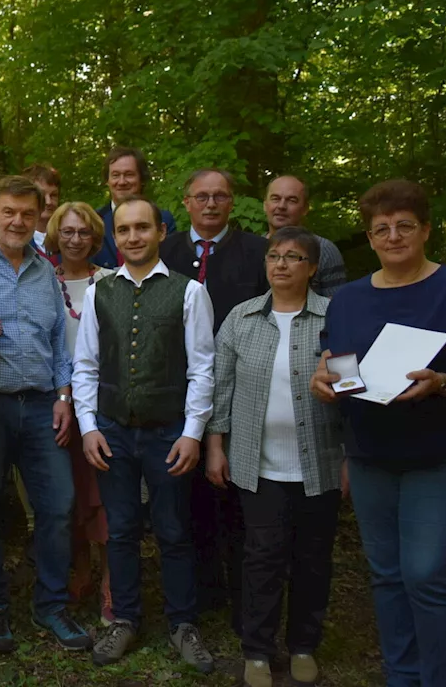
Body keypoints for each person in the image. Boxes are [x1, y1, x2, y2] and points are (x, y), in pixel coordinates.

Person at [311, 179, 446, 687]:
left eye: (404, 225)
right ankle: (401, 676)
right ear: (369, 238)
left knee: (427, 573)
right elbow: (335, 368)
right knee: (386, 575)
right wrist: (324, 383)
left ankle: (443, 679)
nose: (393, 236)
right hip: (369, 453)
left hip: (442, 454)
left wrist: (442, 382)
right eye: (381, 228)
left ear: (426, 230)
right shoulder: (348, 299)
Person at [74, 195, 216, 673]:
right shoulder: (99, 291)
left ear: (159, 231)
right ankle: (126, 619)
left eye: (142, 228)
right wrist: (89, 426)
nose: (133, 237)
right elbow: (86, 366)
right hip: (112, 430)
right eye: (124, 230)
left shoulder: (190, 292)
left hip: (168, 433)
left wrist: (193, 432)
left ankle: (182, 623)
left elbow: (202, 369)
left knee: (175, 530)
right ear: (115, 237)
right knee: (122, 530)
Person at [204, 226, 344, 687]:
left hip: (319, 462)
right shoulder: (241, 319)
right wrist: (216, 446)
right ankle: (258, 652)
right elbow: (220, 390)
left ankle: (303, 645)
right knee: (261, 557)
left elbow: (350, 390)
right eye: (274, 256)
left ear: (313, 267)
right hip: (256, 463)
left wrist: (348, 459)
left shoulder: (336, 317)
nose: (281, 264)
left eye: (293, 257)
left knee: (312, 558)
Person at [0, 176, 91, 653]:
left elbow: (59, 341)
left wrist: (63, 396)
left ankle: (51, 605)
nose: (18, 221)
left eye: (28, 214)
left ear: (39, 219)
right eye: (9, 211)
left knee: (58, 507)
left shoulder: (47, 273)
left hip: (41, 407)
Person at [160, 168, 268, 624]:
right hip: (176, 394)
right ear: (185, 202)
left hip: (243, 392)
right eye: (200, 196)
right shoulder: (165, 252)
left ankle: (248, 601)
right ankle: (204, 596)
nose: (210, 204)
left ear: (232, 203)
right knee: (191, 501)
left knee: (238, 499)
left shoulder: (258, 253)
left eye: (219, 196)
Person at [43, 201, 114, 623]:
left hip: (101, 406)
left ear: (95, 237)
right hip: (55, 403)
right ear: (54, 236)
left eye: (83, 232)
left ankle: (109, 584)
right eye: (66, 232)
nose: (74, 240)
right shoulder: (40, 281)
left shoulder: (109, 282)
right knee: (65, 497)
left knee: (102, 497)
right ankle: (81, 573)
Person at [93, 147, 176, 269]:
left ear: (141, 179)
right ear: (107, 181)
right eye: (115, 175)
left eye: (129, 174)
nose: (122, 182)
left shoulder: (164, 219)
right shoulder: (94, 220)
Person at [263, 176, 346, 297]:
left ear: (305, 208)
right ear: (265, 205)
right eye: (275, 199)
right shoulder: (251, 248)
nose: (281, 206)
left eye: (292, 200)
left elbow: (337, 305)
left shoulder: (324, 250)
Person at [21, 163, 61, 260]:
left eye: (53, 195)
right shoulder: (16, 241)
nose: (48, 202)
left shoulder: (70, 238)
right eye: (41, 195)